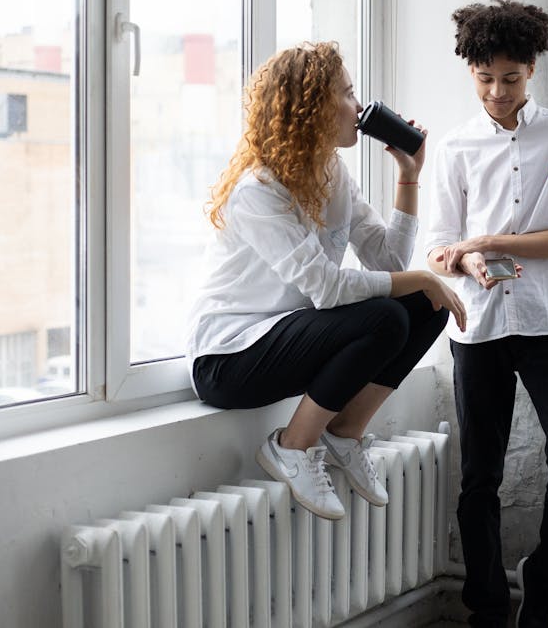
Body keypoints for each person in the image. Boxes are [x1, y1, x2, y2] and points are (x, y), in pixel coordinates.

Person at [185, 41, 466, 520]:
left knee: (423, 307)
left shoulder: (333, 173)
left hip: (290, 336)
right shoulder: (257, 190)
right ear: (313, 106)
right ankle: (293, 447)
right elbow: (328, 288)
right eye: (348, 93)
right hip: (228, 358)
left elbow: (389, 261)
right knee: (385, 316)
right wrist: (421, 277)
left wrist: (409, 176)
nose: (359, 107)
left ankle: (343, 434)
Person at [425, 0, 548, 628]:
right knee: (480, 476)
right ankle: (486, 608)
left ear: (532, 69)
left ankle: (545, 591)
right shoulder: (455, 147)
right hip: (480, 327)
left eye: (511, 78)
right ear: (472, 71)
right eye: (485, 78)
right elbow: (442, 245)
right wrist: (467, 260)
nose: (498, 92)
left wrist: (489, 242)